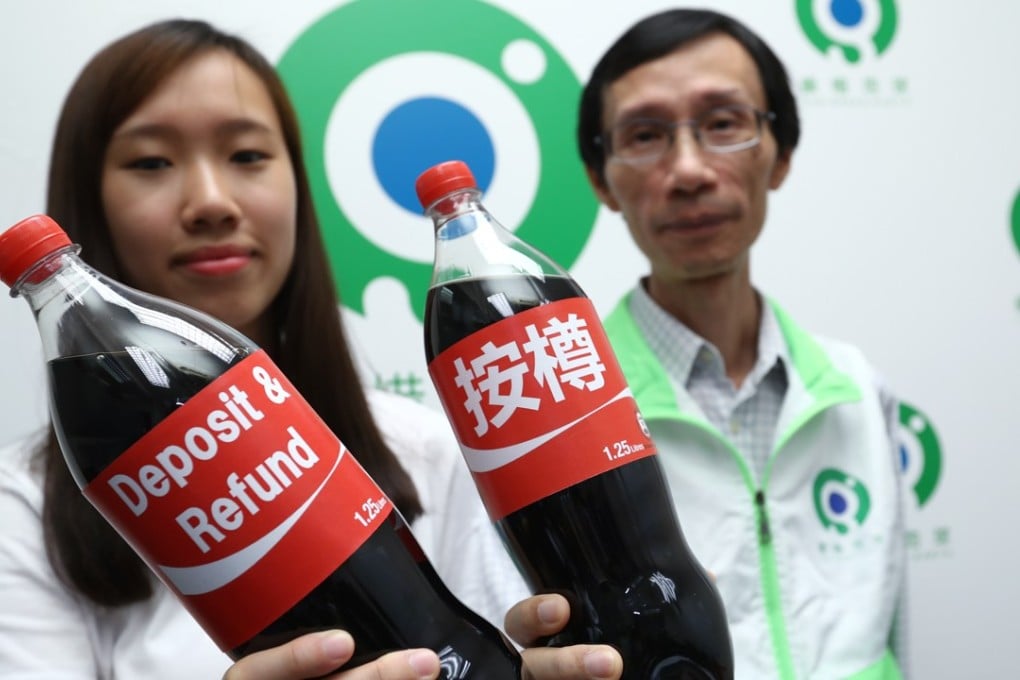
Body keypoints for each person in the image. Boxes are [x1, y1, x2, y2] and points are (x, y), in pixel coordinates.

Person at [0, 18, 622, 680]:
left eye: (247, 156)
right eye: (151, 162)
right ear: (85, 209)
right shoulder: (23, 509)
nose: (211, 203)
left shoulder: (425, 450)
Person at [574, 8, 909, 680]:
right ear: (602, 181)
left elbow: (888, 638)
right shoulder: (570, 420)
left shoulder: (854, 388)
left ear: (779, 155)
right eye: (645, 135)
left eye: (724, 123)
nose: (690, 170)